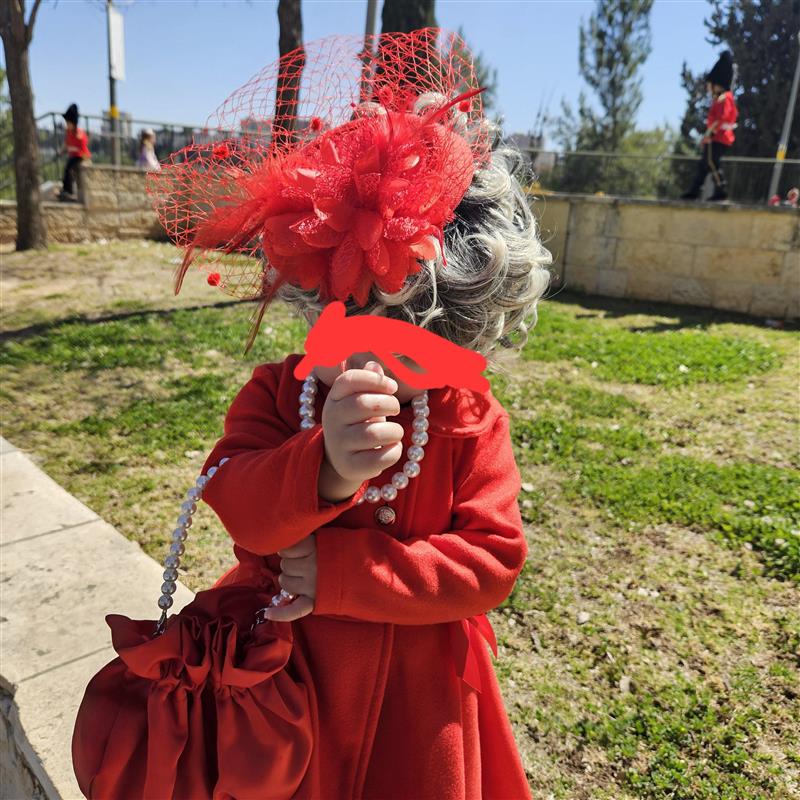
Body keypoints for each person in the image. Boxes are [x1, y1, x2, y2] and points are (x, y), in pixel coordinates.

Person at [150, 29, 552, 799]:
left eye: (412, 346)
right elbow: (235, 498)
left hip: (419, 699)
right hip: (286, 682)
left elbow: (492, 562)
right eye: (347, 329)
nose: (372, 365)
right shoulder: (280, 394)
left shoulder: (469, 419)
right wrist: (323, 469)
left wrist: (347, 572)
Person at [681, 51, 738, 201]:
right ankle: (694, 191)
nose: (708, 87)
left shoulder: (724, 98)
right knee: (705, 165)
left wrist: (709, 135)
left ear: (716, 84)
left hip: (718, 137)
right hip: (716, 136)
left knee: (711, 163)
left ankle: (720, 190)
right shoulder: (721, 98)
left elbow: (721, 119)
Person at [58, 103, 91, 202]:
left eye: (68, 123)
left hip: (81, 156)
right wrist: (60, 151)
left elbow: (82, 147)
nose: (67, 124)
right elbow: (66, 143)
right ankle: (66, 189)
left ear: (73, 123)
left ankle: (69, 191)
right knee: (67, 168)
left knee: (69, 168)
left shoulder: (80, 134)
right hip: (73, 156)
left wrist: (71, 149)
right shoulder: (69, 132)